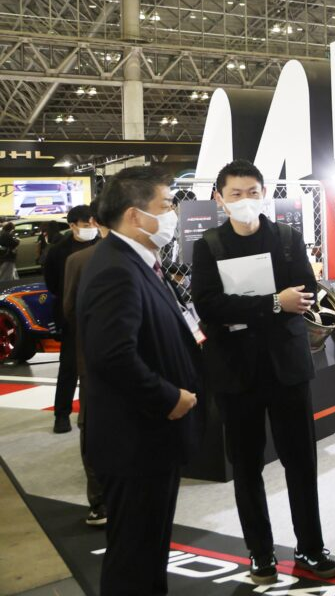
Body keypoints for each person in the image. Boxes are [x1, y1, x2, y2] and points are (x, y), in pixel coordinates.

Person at [190, 160, 335, 584]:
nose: (245, 200)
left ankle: (311, 547)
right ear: (219, 199)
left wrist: (248, 308)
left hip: (286, 368)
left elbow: (305, 295)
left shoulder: (287, 239)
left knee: (301, 462)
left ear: (265, 193)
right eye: (235, 194)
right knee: (246, 465)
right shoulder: (209, 246)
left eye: (252, 192)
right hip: (236, 372)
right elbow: (208, 306)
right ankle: (260, 553)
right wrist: (274, 302)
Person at [79, 166, 201, 596]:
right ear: (135, 215)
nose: (172, 215)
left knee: (148, 552)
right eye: (166, 205)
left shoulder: (136, 261)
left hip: (148, 440)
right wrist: (168, 398)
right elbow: (112, 355)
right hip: (135, 440)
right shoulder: (117, 268)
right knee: (133, 559)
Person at [62, 202, 109, 528]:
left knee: (93, 427)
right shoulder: (143, 256)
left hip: (91, 357)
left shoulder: (78, 261)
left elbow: (70, 310)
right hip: (101, 360)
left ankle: (100, 503)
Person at [45, 204, 100, 433]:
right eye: (86, 225)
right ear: (72, 226)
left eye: (93, 223)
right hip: (71, 316)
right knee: (69, 367)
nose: (91, 228)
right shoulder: (58, 251)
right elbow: (52, 284)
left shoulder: (102, 245)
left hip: (99, 313)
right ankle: (62, 414)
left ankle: (96, 413)